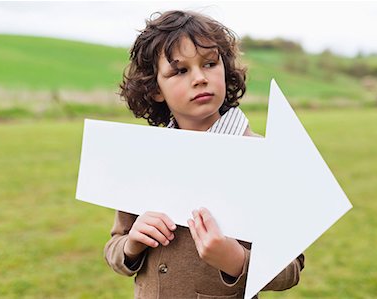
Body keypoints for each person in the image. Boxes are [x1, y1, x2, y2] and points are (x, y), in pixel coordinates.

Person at [104, 10, 305, 299]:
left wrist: (235, 260)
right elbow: (114, 248)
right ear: (155, 88)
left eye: (210, 63)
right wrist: (132, 243)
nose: (200, 78)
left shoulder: (264, 158)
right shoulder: (145, 156)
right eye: (180, 70)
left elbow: (292, 267)